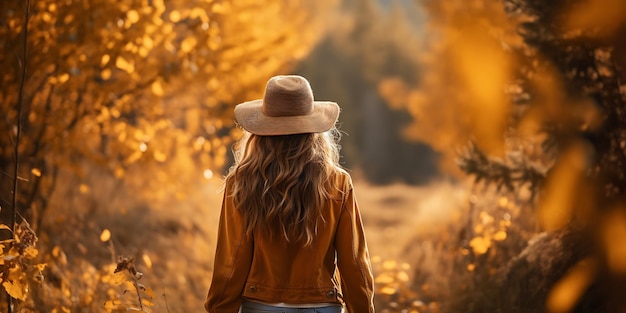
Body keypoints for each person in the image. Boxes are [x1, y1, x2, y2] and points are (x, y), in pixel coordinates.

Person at [204, 75, 375, 313]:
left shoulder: (241, 182)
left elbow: (232, 261)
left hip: (261, 306)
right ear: (313, 129)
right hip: (322, 306)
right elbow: (354, 262)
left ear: (261, 130)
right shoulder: (338, 182)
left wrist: (219, 308)